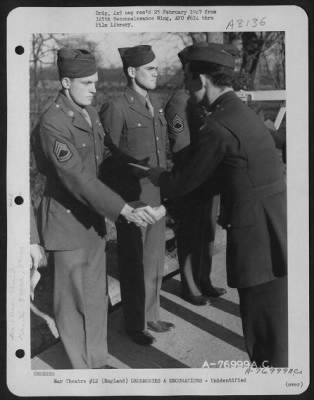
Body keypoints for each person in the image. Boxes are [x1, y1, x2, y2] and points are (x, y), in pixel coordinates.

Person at [148, 43, 288, 367]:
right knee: (275, 328)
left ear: (202, 81)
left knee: (264, 335)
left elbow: (186, 180)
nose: (184, 86)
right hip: (275, 231)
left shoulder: (217, 125)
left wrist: (160, 179)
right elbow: (224, 173)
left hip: (258, 245)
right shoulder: (242, 113)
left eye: (187, 79)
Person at [35, 47, 156, 369]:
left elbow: (110, 157)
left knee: (94, 299)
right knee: (73, 305)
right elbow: (77, 178)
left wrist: (147, 172)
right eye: (86, 83)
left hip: (92, 221)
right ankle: (81, 371)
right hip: (67, 223)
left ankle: (98, 363)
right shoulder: (53, 123)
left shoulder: (88, 115)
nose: (94, 89)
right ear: (65, 82)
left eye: (95, 82)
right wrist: (123, 209)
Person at [99, 45, 174, 346]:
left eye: (156, 68)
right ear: (132, 72)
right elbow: (106, 157)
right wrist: (123, 201)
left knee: (155, 259)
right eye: (150, 69)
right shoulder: (116, 107)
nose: (157, 73)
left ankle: (151, 313)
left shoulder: (154, 104)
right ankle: (134, 322)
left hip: (155, 197)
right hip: (132, 199)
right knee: (133, 262)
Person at [165, 48, 226, 305]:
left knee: (207, 231)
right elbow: (180, 146)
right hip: (191, 180)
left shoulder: (203, 101)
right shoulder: (179, 102)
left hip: (208, 178)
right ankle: (190, 285)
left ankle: (204, 279)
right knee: (190, 235)